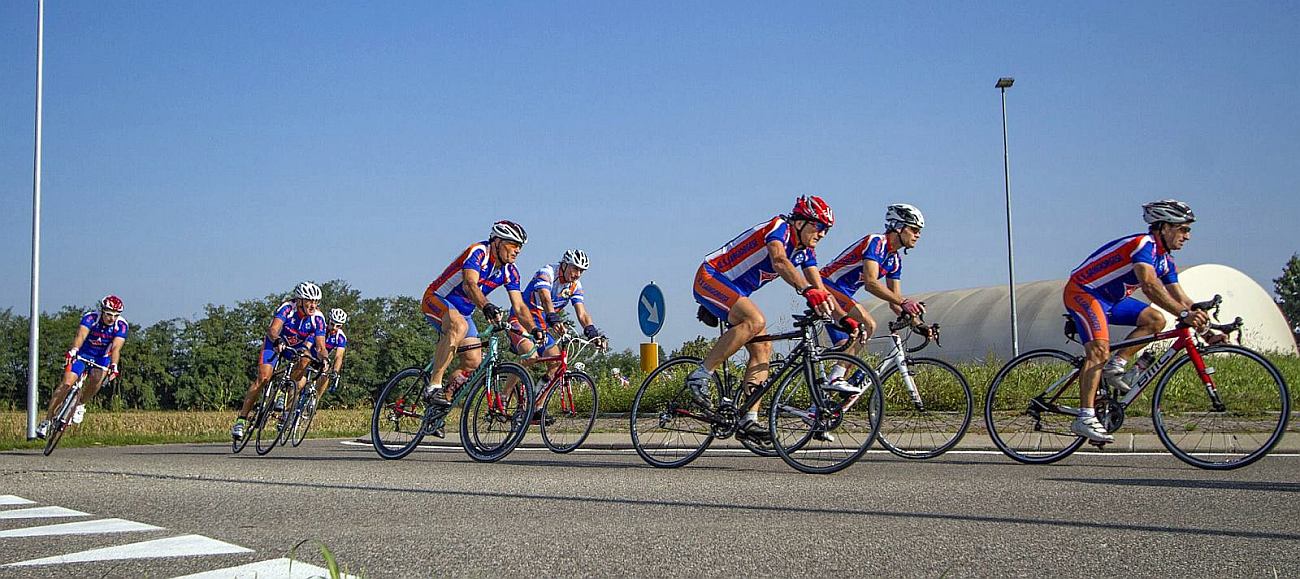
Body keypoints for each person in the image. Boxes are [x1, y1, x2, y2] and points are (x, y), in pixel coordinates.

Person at [687, 195, 859, 440]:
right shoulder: (780, 228)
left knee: (763, 347)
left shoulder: (805, 251)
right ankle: (700, 375)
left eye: (826, 231)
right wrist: (806, 291)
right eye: (819, 227)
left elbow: (818, 286)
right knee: (755, 320)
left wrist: (841, 318)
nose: (821, 234)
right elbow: (779, 260)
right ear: (800, 222)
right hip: (711, 277)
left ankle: (748, 420)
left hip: (735, 292)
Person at [1063, 199, 1210, 443]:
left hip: (1111, 300)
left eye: (1189, 230)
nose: (1188, 236)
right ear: (1164, 227)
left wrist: (1207, 328)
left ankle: (1115, 366)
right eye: (1183, 229)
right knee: (1098, 350)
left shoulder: (1165, 260)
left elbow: (1181, 298)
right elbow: (1150, 286)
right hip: (1084, 293)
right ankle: (1084, 416)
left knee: (1155, 320)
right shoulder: (1143, 245)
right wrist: (1185, 315)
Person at [420, 220, 544, 411]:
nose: (517, 250)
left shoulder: (510, 271)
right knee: (458, 326)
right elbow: (470, 284)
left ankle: (439, 407)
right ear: (496, 242)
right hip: (437, 299)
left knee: (473, 362)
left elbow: (519, 306)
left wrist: (534, 329)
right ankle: (433, 385)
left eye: (519, 247)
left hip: (464, 313)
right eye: (512, 244)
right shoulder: (478, 252)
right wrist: (486, 306)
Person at [818, 203, 930, 392]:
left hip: (842, 296)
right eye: (914, 229)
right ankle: (834, 379)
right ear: (898, 226)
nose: (918, 235)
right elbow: (871, 283)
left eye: (919, 231)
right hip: (827, 286)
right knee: (868, 325)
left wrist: (918, 324)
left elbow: (895, 301)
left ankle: (821, 408)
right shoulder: (876, 242)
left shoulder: (894, 260)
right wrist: (903, 302)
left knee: (849, 355)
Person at [230, 282, 329, 441]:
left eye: (316, 302)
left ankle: (284, 390)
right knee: (263, 378)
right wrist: (276, 340)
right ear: (299, 300)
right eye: (309, 301)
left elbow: (320, 346)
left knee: (306, 359)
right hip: (276, 343)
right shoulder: (288, 308)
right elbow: (273, 329)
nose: (313, 305)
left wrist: (324, 358)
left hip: (296, 347)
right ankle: (241, 420)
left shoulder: (318, 318)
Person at [35, 295, 128, 438]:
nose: (112, 318)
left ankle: (80, 404)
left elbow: (116, 348)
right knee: (66, 384)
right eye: (109, 314)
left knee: (97, 380)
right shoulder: (91, 318)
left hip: (101, 358)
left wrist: (114, 365)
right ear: (102, 311)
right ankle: (47, 421)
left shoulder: (121, 325)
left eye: (116, 315)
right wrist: (73, 351)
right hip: (82, 354)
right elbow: (80, 336)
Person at [509, 249, 606, 379]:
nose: (577, 274)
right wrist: (553, 318)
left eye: (581, 271)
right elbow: (545, 298)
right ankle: (504, 396)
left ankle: (538, 398)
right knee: (531, 356)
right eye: (575, 268)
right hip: (521, 320)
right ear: (564, 264)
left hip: (541, 327)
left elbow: (582, 313)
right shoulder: (547, 273)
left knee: (556, 365)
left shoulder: (575, 286)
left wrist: (592, 333)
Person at [301, 307, 349, 404]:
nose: (334, 327)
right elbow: (307, 347)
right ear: (329, 321)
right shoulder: (320, 330)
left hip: (322, 361)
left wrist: (335, 371)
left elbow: (339, 356)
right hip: (310, 356)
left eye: (338, 326)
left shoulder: (340, 337)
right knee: (300, 380)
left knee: (326, 374)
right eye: (332, 324)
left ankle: (314, 401)